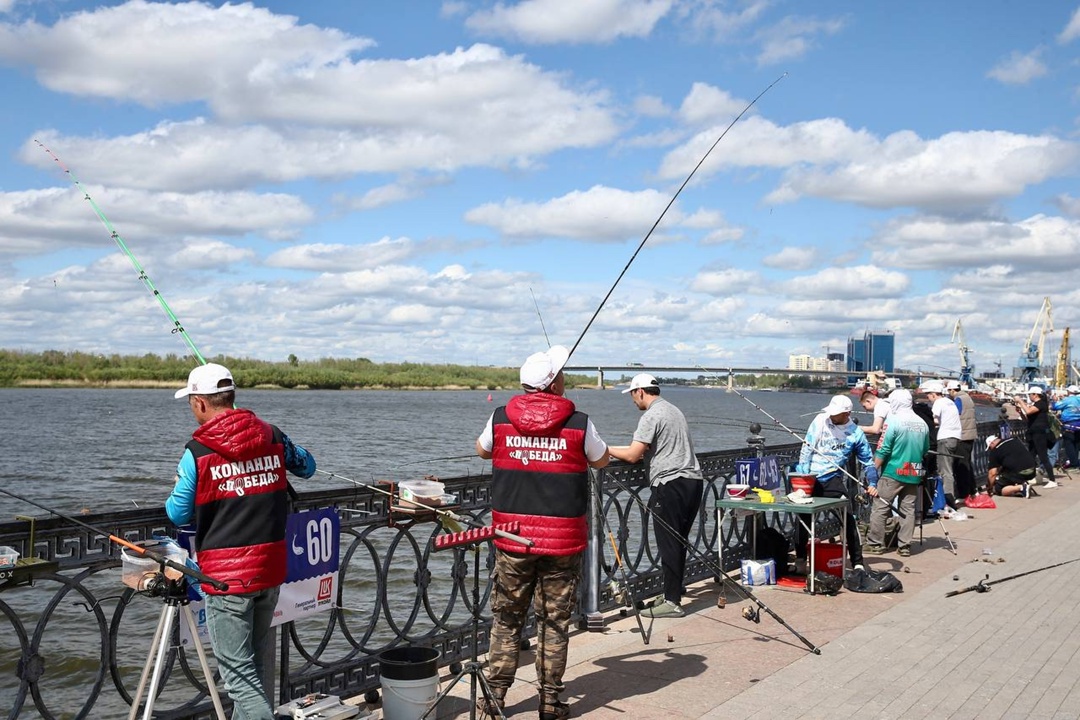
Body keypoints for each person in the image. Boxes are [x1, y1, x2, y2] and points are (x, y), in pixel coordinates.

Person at [165, 363, 316, 720]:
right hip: (270, 568)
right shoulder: (272, 434)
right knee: (257, 667)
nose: (191, 408)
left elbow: (177, 513)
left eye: (191, 402)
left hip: (227, 579)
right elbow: (306, 466)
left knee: (239, 679)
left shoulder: (197, 452)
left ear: (201, 403)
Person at [475, 345, 609, 720]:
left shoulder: (500, 416)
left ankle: (495, 699)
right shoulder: (580, 422)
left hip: (513, 537)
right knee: (554, 621)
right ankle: (549, 702)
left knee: (507, 618)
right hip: (562, 540)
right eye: (561, 374)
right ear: (554, 383)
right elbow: (600, 460)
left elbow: (482, 450)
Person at [608, 373, 704, 619]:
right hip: (693, 482)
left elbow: (632, 455)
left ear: (640, 391)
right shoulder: (673, 411)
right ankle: (674, 591)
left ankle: (672, 602)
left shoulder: (650, 416)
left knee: (668, 543)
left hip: (670, 484)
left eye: (632, 394)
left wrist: (602, 448)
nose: (632, 400)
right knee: (679, 541)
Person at [793, 395, 879, 571]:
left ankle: (857, 562)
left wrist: (872, 482)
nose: (832, 415)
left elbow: (868, 461)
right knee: (803, 519)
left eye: (836, 413)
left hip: (832, 479)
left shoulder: (855, 433)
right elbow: (807, 447)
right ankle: (800, 559)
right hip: (811, 478)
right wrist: (803, 474)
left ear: (846, 413)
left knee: (847, 518)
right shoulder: (820, 420)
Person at [865, 389, 928, 557]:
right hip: (914, 471)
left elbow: (883, 449)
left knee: (880, 507)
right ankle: (905, 546)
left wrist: (872, 469)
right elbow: (926, 449)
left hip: (893, 471)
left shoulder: (893, 421)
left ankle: (876, 543)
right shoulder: (922, 423)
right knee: (908, 509)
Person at [921, 381, 964, 507]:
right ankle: (948, 497)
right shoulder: (950, 402)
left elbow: (933, 420)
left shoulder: (938, 403)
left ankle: (947, 500)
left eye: (928, 394)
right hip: (955, 437)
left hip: (945, 437)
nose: (928, 398)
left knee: (945, 470)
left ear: (934, 394)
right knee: (949, 468)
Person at [1014, 385, 1058, 488]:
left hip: (1040, 434)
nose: (1029, 396)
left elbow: (1029, 411)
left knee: (1043, 457)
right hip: (1033, 433)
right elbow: (1028, 419)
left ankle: (1052, 480)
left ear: (1035, 395)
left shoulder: (1041, 404)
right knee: (1031, 456)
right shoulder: (1035, 405)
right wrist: (1020, 412)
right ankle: (1030, 477)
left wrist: (1020, 401)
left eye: (1030, 394)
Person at [946, 381, 979, 499]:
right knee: (967, 464)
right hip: (970, 435)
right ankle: (972, 490)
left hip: (962, 435)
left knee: (961, 466)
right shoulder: (968, 397)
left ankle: (963, 493)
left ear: (952, 390)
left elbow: (956, 414)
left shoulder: (958, 399)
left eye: (949, 391)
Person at [1051, 385, 1080, 470]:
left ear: (1069, 392)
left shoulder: (1067, 400)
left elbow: (1055, 407)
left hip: (1069, 424)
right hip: (1079, 424)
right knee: (1076, 444)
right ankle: (1075, 463)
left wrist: (1054, 400)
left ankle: (1074, 463)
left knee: (1069, 444)